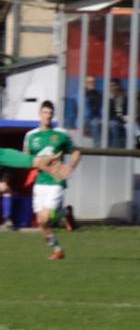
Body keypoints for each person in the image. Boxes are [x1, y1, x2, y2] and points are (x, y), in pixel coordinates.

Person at [21, 101, 81, 260]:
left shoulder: (61, 134)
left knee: (47, 217)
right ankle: (57, 249)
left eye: (50, 113)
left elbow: (76, 152)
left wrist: (70, 167)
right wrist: (35, 162)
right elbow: (26, 157)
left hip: (56, 180)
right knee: (41, 222)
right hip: (40, 181)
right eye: (45, 113)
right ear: (40, 114)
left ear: (52, 115)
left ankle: (63, 212)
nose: (47, 116)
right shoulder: (31, 136)